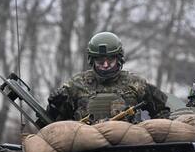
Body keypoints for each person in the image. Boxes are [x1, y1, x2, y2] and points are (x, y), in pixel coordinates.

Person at [38, 32, 169, 127]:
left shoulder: (136, 83)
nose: (105, 65)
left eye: (110, 59)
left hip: (129, 149)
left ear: (118, 59)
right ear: (92, 60)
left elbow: (164, 112)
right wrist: (54, 107)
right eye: (100, 60)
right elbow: (52, 126)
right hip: (85, 151)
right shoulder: (76, 84)